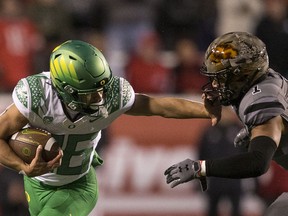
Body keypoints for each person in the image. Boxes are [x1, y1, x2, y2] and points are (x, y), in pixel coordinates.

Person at [0, 40, 221, 216]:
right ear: (66, 90)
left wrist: (204, 110)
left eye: (102, 87)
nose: (100, 97)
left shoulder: (112, 94)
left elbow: (158, 106)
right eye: (90, 92)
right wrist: (21, 166)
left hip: (77, 186)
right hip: (36, 184)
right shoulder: (37, 97)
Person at [164, 31, 288, 216]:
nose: (215, 85)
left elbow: (258, 162)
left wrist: (201, 168)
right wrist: (256, 132)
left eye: (222, 77)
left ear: (243, 74)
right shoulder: (265, 81)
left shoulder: (262, 99)